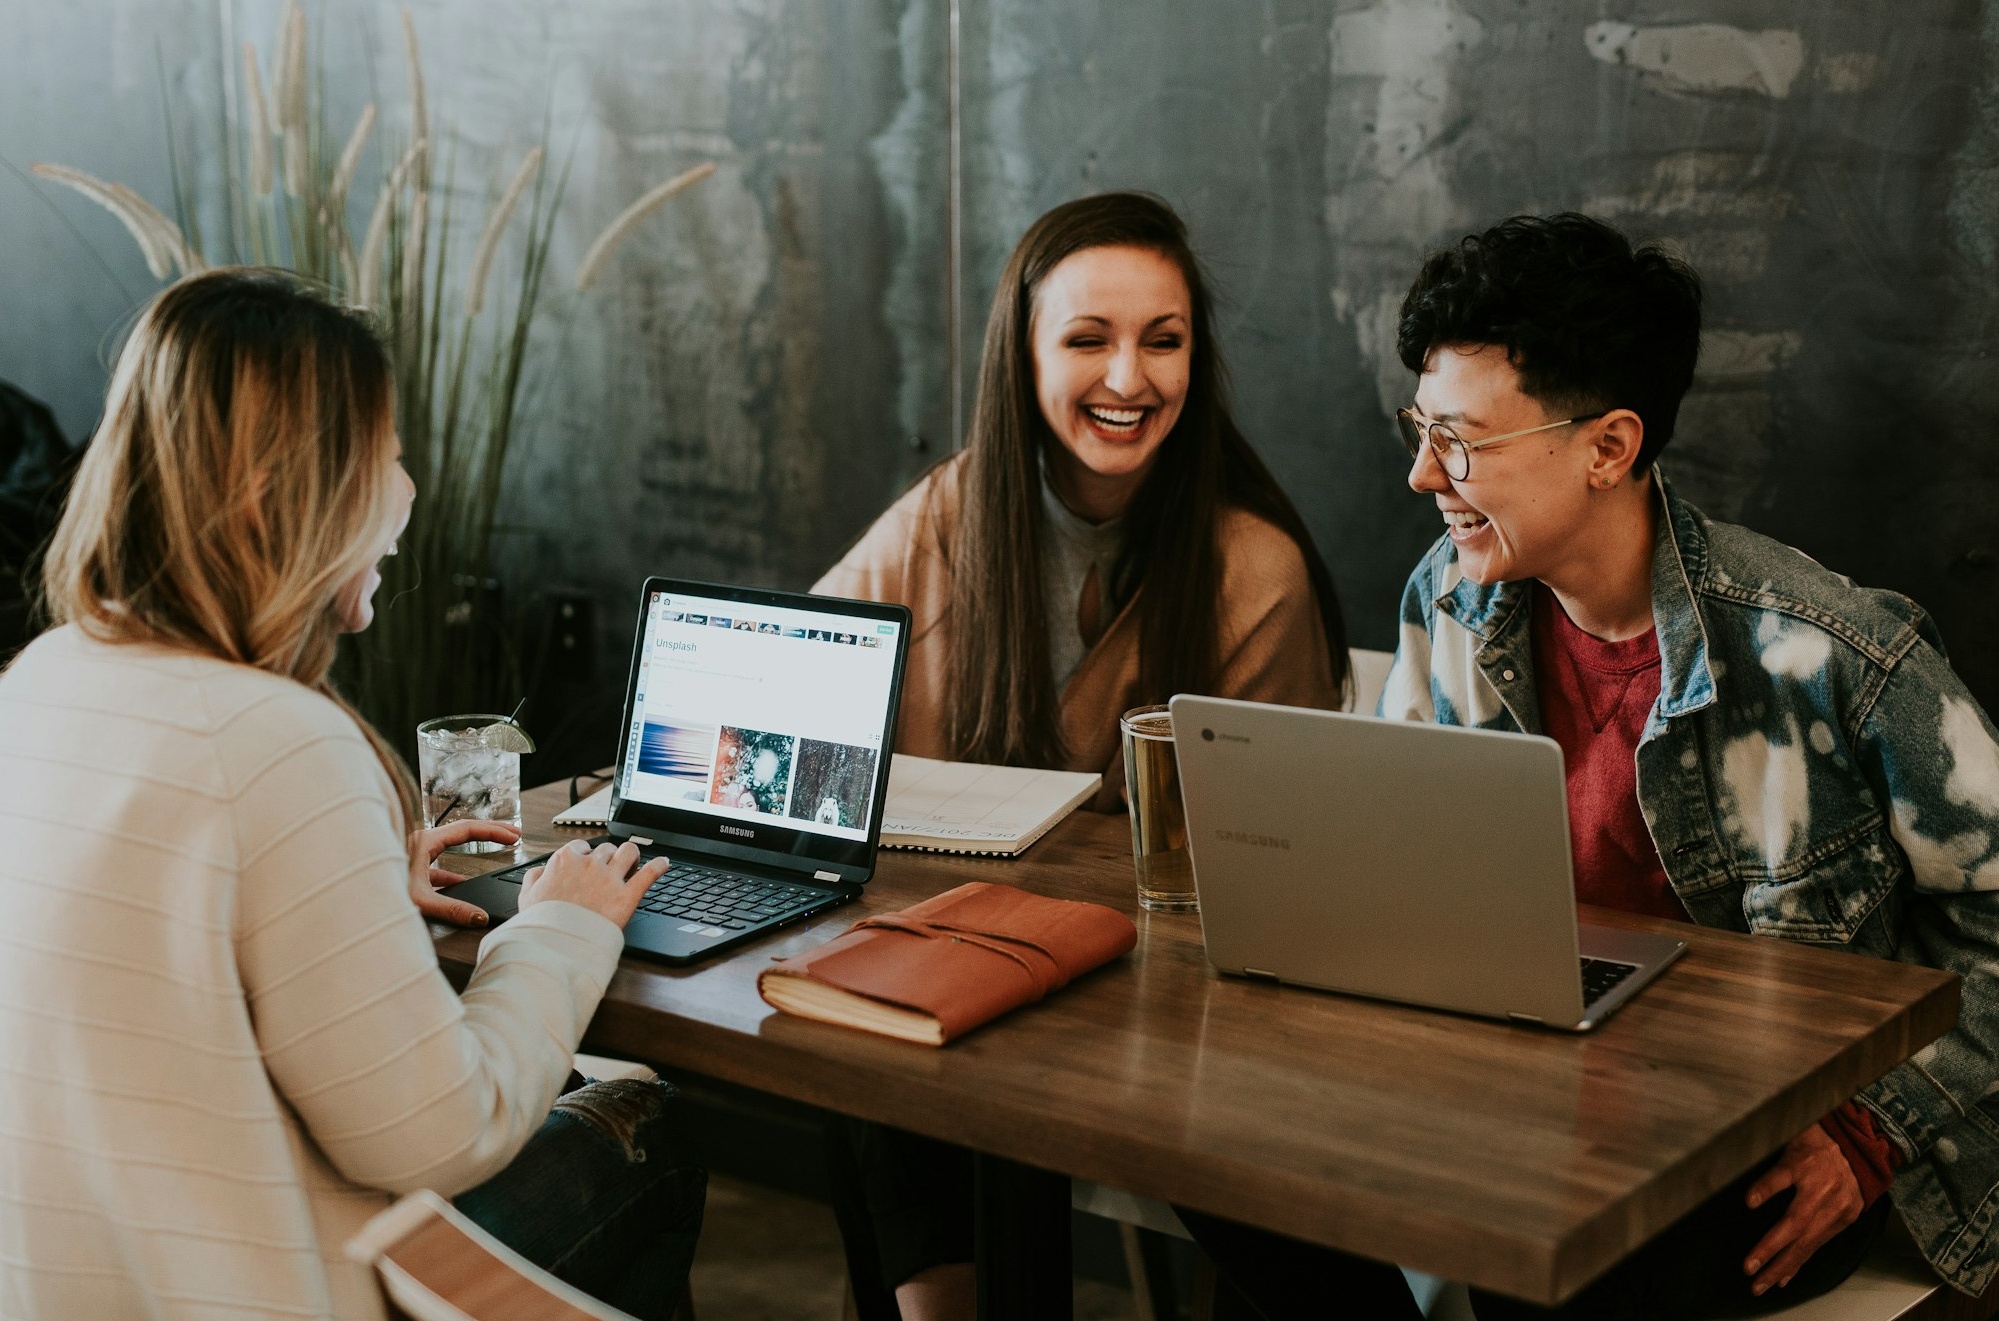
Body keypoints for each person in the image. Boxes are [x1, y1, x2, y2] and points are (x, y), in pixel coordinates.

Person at [1187, 213, 1999, 1319]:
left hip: (1752, 1132)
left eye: (1462, 440)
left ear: (1609, 448)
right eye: (1417, 429)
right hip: (1522, 1088)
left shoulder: (1831, 655)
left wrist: (1872, 1129)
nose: (1424, 473)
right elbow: (1396, 880)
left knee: (1560, 1246)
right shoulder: (1451, 596)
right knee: (1219, 1155)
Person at [0, 269, 704, 1320]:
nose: (407, 492)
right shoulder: (281, 743)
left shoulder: (44, 678)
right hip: (260, 1287)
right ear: (278, 496)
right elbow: (439, 1132)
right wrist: (555, 931)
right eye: (382, 460)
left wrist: (362, 883)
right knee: (653, 1122)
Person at [814, 192, 1351, 1319]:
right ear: (1021, 356)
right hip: (955, 976)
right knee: (861, 1040)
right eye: (1087, 339)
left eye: (1164, 340)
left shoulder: (1253, 571)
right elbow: (808, 696)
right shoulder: (950, 513)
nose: (1130, 377)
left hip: (1167, 1018)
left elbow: (1263, 872)